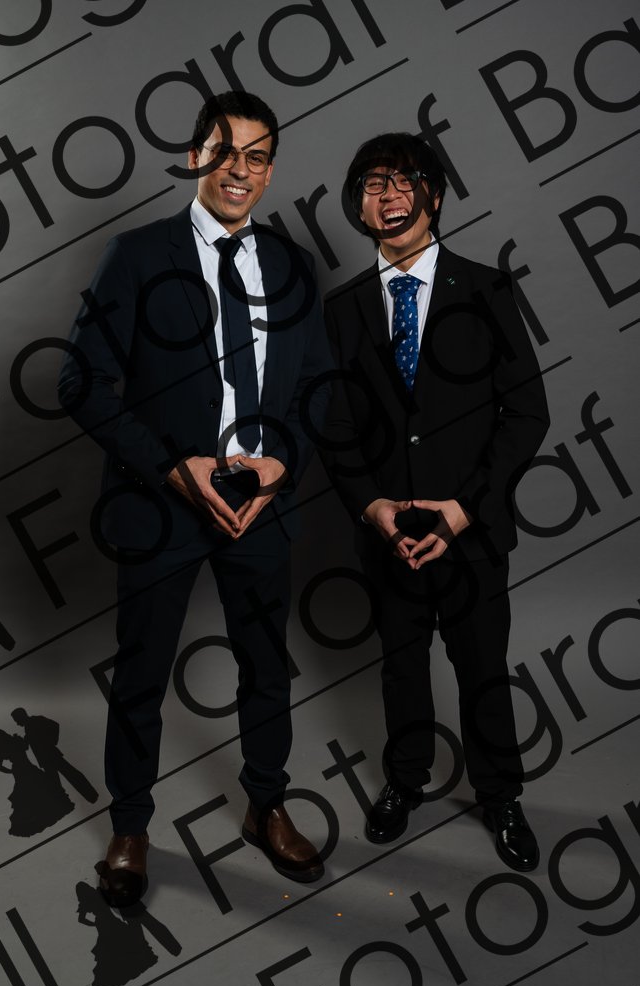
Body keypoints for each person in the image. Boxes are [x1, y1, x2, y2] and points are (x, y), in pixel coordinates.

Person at [58, 91, 332, 905]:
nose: (238, 169)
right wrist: (177, 469)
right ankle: (131, 827)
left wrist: (282, 465)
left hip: (260, 502)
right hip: (162, 500)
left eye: (256, 157)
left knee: (266, 667)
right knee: (142, 670)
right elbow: (80, 382)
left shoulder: (293, 267)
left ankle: (267, 804)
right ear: (194, 156)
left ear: (270, 172)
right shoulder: (137, 255)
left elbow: (318, 389)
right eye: (224, 150)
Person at [320, 132, 549, 871]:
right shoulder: (342, 309)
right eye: (371, 185)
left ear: (435, 196)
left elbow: (527, 414)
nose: (387, 197)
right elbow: (335, 425)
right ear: (359, 207)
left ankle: (501, 795)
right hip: (387, 530)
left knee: (483, 667)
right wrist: (371, 508)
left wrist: (464, 508)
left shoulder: (485, 289)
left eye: (402, 181)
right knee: (401, 665)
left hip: (470, 529)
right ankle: (405, 780)